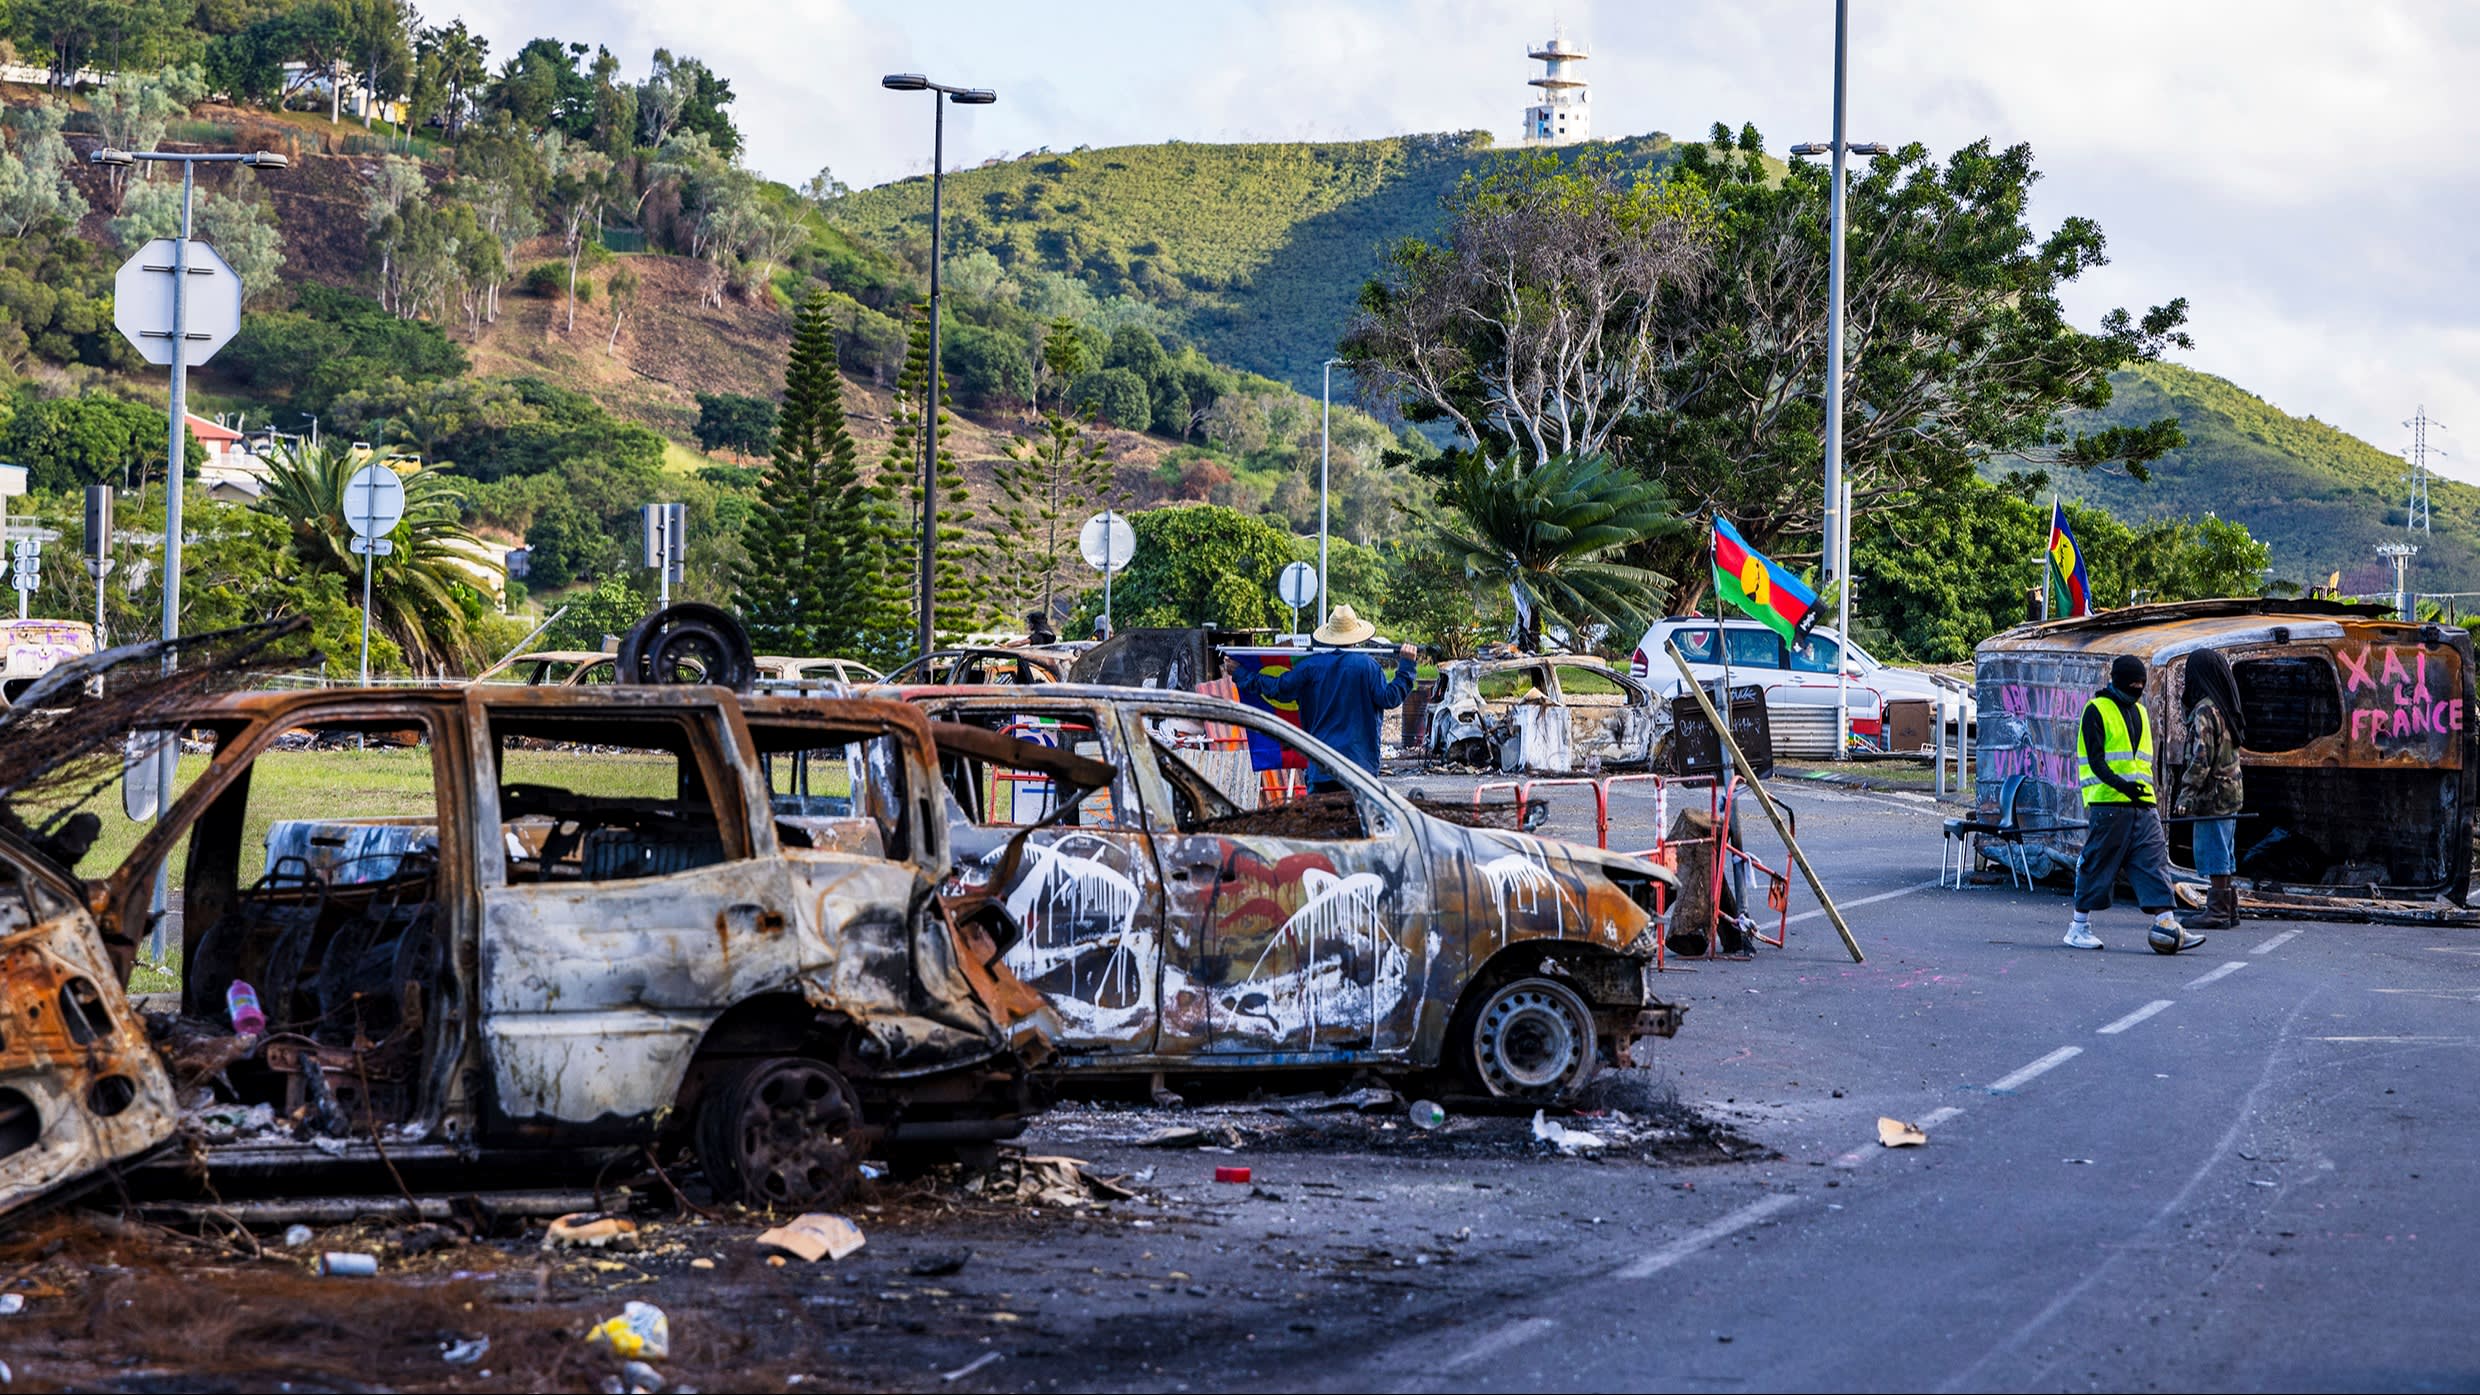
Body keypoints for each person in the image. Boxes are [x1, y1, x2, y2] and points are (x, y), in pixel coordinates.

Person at [2066, 654, 2204, 955]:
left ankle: (2168, 924)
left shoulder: (2140, 711)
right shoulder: (2096, 710)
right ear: (2115, 681)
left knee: (2153, 861)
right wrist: (2122, 786)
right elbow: (2096, 761)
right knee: (2098, 863)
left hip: (2143, 803)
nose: (2136, 692)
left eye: (2140, 688)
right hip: (2109, 803)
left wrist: (2140, 792)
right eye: (2132, 686)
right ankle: (2078, 927)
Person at [1230, 604, 1416, 791]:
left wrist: (1242, 674)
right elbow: (1390, 698)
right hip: (1360, 769)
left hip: (1321, 766)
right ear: (1356, 637)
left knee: (1321, 819)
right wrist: (1406, 667)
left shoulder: (1310, 667)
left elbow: (1276, 689)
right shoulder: (1368, 667)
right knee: (1355, 820)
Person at [2175, 649, 2246, 930]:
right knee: (2225, 850)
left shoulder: (2205, 709)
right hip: (2231, 791)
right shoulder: (2225, 706)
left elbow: (2200, 757)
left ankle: (2217, 911)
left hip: (2213, 794)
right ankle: (2230, 909)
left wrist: (2186, 794)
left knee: (2213, 850)